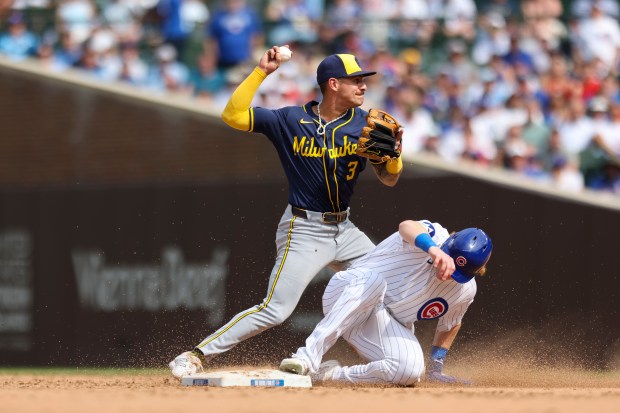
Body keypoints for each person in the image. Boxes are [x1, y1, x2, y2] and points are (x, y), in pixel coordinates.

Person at [168, 46, 404, 378]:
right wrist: (261, 72)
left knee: (389, 289)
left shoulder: (366, 125)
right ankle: (195, 354)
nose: (363, 86)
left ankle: (385, 363)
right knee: (275, 309)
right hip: (304, 229)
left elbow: (390, 178)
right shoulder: (290, 120)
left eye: (363, 80)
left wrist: (394, 155)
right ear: (333, 84)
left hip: (346, 230)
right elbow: (233, 116)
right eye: (356, 80)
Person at [279, 219, 493, 386]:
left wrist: (436, 367)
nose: (447, 273)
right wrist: (433, 249)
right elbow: (406, 226)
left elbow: (451, 323)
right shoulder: (435, 234)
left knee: (409, 372)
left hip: (382, 323)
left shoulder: (465, 290)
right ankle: (306, 357)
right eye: (449, 261)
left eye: (458, 273)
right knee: (374, 281)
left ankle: (328, 375)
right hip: (349, 292)